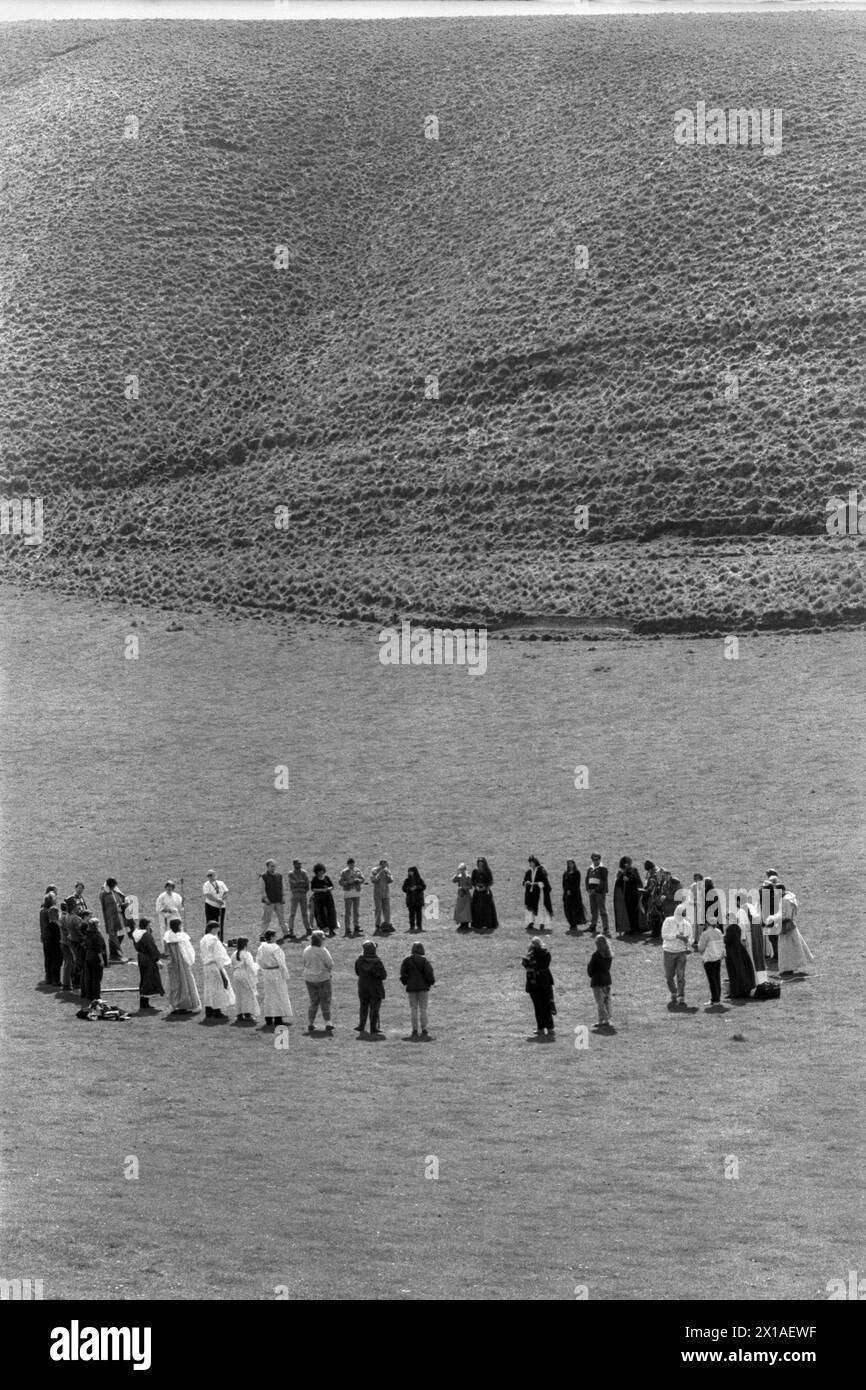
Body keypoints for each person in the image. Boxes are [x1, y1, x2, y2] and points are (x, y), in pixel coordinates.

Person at [768, 882, 814, 975]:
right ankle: (790, 967)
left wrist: (773, 918)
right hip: (790, 924)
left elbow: (785, 915)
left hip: (786, 926)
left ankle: (788, 968)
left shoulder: (785, 900)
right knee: (791, 947)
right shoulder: (789, 898)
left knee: (785, 948)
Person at [256, 931, 294, 1029]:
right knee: (278, 995)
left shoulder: (261, 947)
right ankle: (278, 1019)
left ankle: (268, 1018)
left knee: (269, 995)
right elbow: (281, 962)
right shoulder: (275, 948)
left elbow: (258, 960)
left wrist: (264, 968)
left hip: (267, 973)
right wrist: (285, 974)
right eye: (275, 936)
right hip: (276, 972)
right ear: (272, 937)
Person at [163, 918, 202, 1014]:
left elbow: (166, 952)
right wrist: (190, 961)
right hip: (183, 963)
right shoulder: (182, 938)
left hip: (173, 964)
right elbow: (188, 951)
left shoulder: (168, 937)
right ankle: (190, 1004)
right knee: (187, 983)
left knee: (175, 984)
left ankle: (176, 1004)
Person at [199, 920, 236, 1019]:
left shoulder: (203, 939)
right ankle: (217, 1011)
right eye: (218, 928)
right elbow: (219, 954)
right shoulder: (214, 940)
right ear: (214, 929)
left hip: (206, 966)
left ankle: (209, 1010)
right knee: (218, 988)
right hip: (215, 965)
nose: (219, 930)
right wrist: (225, 963)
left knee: (209, 989)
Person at [400, 940, 435, 1040]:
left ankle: (414, 1029)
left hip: (411, 988)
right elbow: (429, 973)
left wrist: (407, 982)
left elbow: (403, 974)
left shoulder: (407, 960)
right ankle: (424, 1029)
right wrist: (430, 982)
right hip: (423, 988)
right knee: (423, 1009)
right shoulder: (424, 960)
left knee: (413, 1009)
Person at [522, 938, 556, 1039]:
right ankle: (550, 1027)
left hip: (535, 983)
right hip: (546, 981)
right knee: (547, 1004)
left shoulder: (531, 955)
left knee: (538, 1006)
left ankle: (540, 1028)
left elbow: (526, 964)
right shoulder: (547, 954)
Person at [301, 929, 334, 1033]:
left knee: (313, 1001)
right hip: (322, 978)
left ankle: (310, 1023)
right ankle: (328, 1023)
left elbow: (305, 962)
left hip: (309, 978)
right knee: (325, 1000)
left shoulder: (307, 949)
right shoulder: (323, 950)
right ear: (321, 940)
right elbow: (330, 964)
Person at [130, 916, 165, 1011]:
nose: (150, 926)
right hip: (148, 959)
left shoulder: (135, 933)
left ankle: (144, 1002)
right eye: (149, 924)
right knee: (148, 980)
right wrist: (158, 960)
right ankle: (144, 1003)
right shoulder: (146, 935)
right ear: (146, 925)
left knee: (144, 979)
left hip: (141, 958)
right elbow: (151, 948)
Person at [661, 901, 691, 1007]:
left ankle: (681, 996)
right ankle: (674, 992)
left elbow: (691, 939)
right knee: (669, 976)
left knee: (680, 975)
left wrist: (688, 942)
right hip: (668, 952)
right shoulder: (668, 921)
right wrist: (677, 936)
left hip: (681, 953)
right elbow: (664, 935)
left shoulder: (687, 924)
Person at [355, 939, 387, 1038]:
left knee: (363, 1006)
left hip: (363, 987)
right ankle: (373, 1028)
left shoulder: (359, 960)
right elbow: (383, 976)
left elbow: (357, 972)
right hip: (375, 988)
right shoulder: (377, 962)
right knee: (374, 1008)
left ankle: (361, 1025)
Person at [723, 913, 756, 999]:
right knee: (741, 970)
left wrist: (723, 938)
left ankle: (736, 991)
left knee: (734, 972)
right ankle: (742, 990)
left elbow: (728, 940)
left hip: (732, 952)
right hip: (739, 950)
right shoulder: (737, 927)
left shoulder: (730, 928)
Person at [737, 897, 768, 985]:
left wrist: (742, 938)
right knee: (758, 957)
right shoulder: (751, 907)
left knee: (750, 959)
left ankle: (753, 980)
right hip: (756, 935)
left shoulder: (741, 911)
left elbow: (742, 925)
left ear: (738, 902)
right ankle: (761, 980)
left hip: (748, 936)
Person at [696, 916, 725, 1005]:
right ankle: (717, 998)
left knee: (712, 980)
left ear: (707, 924)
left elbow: (701, 948)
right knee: (716, 978)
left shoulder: (705, 934)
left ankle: (715, 999)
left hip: (709, 958)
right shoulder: (719, 932)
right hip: (718, 957)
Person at [231, 936, 261, 1022]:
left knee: (239, 994)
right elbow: (250, 966)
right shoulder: (246, 954)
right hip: (244, 974)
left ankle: (239, 1014)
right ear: (245, 944)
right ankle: (248, 1014)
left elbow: (232, 965)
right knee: (248, 994)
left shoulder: (234, 953)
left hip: (236, 974)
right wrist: (258, 966)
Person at [99, 878, 129, 962]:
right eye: (113, 886)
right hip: (111, 917)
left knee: (121, 934)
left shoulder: (113, 891)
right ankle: (113, 955)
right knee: (113, 935)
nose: (114, 887)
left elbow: (117, 903)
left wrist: (123, 904)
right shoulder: (104, 894)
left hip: (117, 915)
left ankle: (114, 953)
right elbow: (108, 906)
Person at [587, 934, 613, 1029]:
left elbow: (591, 968)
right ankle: (603, 1020)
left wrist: (590, 972)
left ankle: (604, 1020)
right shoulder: (609, 955)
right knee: (606, 1001)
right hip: (606, 980)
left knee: (599, 1002)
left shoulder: (595, 955)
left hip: (597, 980)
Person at [80, 917, 109, 1003]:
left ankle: (90, 995)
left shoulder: (87, 934)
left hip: (88, 957)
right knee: (97, 978)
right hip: (95, 958)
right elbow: (98, 949)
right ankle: (96, 996)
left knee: (89, 977)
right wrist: (102, 960)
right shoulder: (97, 935)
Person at [259, 860, 289, 941]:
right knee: (266, 919)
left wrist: (283, 896)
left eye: (274, 866)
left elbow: (283, 887)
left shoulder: (279, 876)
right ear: (267, 867)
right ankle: (262, 935)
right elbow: (262, 889)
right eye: (271, 866)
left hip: (278, 900)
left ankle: (286, 933)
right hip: (269, 902)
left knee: (282, 918)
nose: (273, 868)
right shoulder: (263, 877)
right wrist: (265, 898)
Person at [523, 856, 553, 933]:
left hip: (540, 893)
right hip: (531, 894)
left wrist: (534, 883)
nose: (531, 864)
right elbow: (524, 881)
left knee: (540, 907)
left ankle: (542, 923)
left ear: (535, 862)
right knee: (530, 908)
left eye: (532, 862)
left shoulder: (541, 870)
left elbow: (544, 883)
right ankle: (530, 923)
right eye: (529, 862)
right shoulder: (528, 872)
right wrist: (526, 882)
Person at [613, 856, 642, 936]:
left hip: (634, 896)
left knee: (634, 912)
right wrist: (621, 878)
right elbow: (618, 883)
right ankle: (628, 929)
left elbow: (636, 880)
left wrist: (629, 879)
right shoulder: (621, 872)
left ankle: (635, 929)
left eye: (627, 863)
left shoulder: (633, 870)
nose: (626, 864)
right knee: (627, 913)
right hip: (625, 896)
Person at [39, 888, 62, 986]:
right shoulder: (52, 910)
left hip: (45, 938)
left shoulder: (42, 910)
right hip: (53, 938)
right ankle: (55, 980)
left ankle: (48, 977)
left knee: (48, 958)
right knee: (56, 959)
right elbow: (56, 924)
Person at [760, 871, 784, 964]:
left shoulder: (773, 895)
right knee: (771, 938)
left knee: (773, 938)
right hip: (770, 919)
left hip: (772, 920)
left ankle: (777, 956)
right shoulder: (772, 894)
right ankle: (775, 955)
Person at [339, 859, 366, 937]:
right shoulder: (344, 872)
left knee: (356, 911)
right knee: (348, 912)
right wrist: (347, 882)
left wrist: (358, 880)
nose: (352, 866)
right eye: (350, 865)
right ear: (348, 864)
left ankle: (356, 926)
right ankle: (347, 928)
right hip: (348, 894)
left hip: (356, 893)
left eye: (353, 864)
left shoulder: (358, 870)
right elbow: (340, 882)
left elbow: (363, 879)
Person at [310, 864, 338, 937]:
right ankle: (323, 929)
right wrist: (322, 890)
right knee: (320, 913)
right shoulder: (315, 879)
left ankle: (331, 929)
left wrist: (329, 889)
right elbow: (313, 889)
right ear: (316, 872)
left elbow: (332, 886)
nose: (321, 872)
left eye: (322, 870)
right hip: (319, 898)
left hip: (328, 897)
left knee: (330, 912)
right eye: (319, 871)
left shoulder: (327, 878)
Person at [470, 857, 498, 932]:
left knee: (487, 908)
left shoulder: (487, 871)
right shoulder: (475, 871)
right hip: (477, 892)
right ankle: (477, 924)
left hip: (486, 892)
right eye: (479, 863)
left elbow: (491, 881)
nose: (480, 865)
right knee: (477, 908)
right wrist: (476, 887)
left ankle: (488, 924)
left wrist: (485, 887)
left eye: (481, 863)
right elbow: (472, 881)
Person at [155, 880, 184, 950]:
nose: (169, 888)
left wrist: (183, 902)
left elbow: (180, 907)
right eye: (167, 887)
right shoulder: (162, 896)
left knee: (178, 931)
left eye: (170, 887)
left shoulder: (177, 896)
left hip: (175, 917)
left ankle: (179, 948)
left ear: (173, 888)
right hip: (166, 917)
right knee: (166, 933)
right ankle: (166, 949)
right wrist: (168, 910)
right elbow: (158, 908)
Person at [641, 861, 668, 938]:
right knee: (659, 914)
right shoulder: (660, 870)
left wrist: (645, 890)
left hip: (656, 897)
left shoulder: (654, 874)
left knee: (655, 914)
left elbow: (651, 887)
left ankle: (656, 932)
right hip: (660, 895)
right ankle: (659, 931)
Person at [585, 854, 609, 936]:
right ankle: (593, 926)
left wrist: (596, 890)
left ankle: (606, 928)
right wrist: (588, 889)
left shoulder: (603, 869)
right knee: (593, 910)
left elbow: (603, 881)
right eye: (594, 859)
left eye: (597, 859)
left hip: (600, 892)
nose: (595, 861)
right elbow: (587, 879)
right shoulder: (590, 868)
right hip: (591, 892)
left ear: (599, 859)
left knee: (602, 910)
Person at [202, 870, 228, 940]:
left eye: (211, 875)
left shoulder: (221, 883)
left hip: (221, 906)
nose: (209, 877)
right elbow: (208, 895)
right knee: (210, 923)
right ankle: (207, 939)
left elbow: (226, 892)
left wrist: (221, 899)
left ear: (215, 875)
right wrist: (217, 900)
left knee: (220, 924)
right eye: (208, 876)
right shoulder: (206, 884)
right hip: (211, 906)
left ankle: (220, 940)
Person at [288, 861, 311, 938]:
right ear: (294, 864)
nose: (299, 865)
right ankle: (290, 930)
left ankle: (308, 928)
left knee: (304, 912)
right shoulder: (291, 873)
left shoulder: (304, 872)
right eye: (297, 864)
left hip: (303, 893)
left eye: (300, 864)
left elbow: (307, 883)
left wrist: (300, 883)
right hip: (295, 894)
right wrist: (301, 882)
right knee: (292, 913)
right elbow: (293, 883)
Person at [370, 860, 394, 934]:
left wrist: (387, 875)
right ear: (380, 864)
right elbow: (373, 880)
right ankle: (377, 925)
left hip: (386, 893)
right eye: (384, 865)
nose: (385, 866)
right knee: (378, 909)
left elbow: (391, 880)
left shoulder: (387, 871)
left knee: (387, 910)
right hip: (378, 893)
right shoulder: (374, 870)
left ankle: (387, 924)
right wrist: (380, 873)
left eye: (386, 865)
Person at [562, 859, 586, 932]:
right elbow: (563, 884)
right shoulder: (565, 873)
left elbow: (577, 884)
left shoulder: (577, 873)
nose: (570, 865)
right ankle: (571, 923)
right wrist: (567, 891)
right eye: (569, 863)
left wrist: (571, 890)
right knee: (567, 909)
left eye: (571, 863)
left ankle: (574, 924)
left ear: (574, 864)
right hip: (567, 894)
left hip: (575, 895)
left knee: (575, 909)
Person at [402, 866, 427, 934]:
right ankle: (412, 926)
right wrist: (409, 889)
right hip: (410, 900)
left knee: (419, 914)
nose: (409, 872)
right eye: (409, 871)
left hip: (418, 900)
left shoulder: (419, 880)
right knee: (411, 914)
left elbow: (423, 887)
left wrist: (417, 887)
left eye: (411, 871)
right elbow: (404, 888)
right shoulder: (407, 880)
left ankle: (419, 926)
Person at [452, 863, 473, 931]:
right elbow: (453, 880)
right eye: (460, 869)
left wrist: (464, 887)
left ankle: (466, 924)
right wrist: (456, 875)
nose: (461, 871)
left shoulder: (468, 877)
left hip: (466, 894)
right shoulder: (459, 876)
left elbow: (470, 886)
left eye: (462, 869)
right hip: (460, 894)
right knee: (460, 909)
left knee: (466, 909)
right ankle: (461, 923)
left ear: (465, 869)